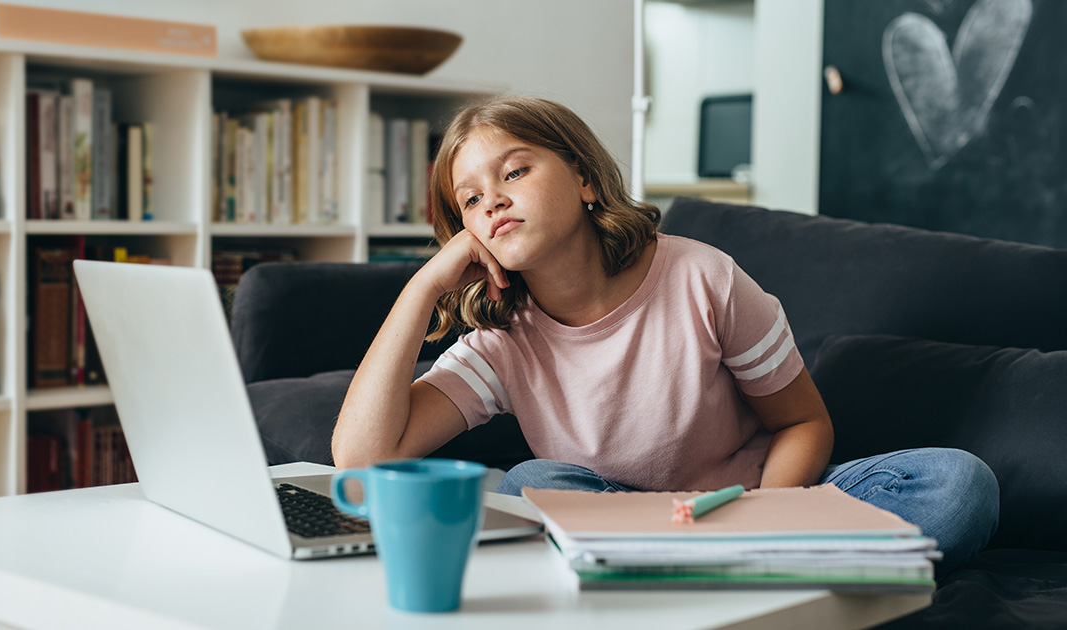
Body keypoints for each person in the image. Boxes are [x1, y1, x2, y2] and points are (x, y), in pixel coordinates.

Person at [332, 96, 998, 573]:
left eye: (514, 171)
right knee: (531, 482)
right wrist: (421, 288)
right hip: (620, 519)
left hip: (759, 502)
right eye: (470, 199)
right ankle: (703, 568)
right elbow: (360, 463)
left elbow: (803, 426)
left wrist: (752, 518)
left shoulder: (705, 279)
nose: (494, 200)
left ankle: (704, 566)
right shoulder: (503, 341)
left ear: (585, 179)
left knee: (959, 484)